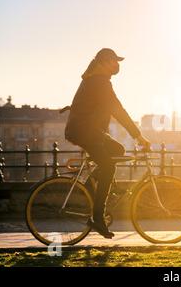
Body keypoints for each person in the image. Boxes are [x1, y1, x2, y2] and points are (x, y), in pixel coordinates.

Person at [64, 48, 151, 239]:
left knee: (118, 149)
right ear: (103, 62)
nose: (117, 64)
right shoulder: (98, 82)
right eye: (114, 61)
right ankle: (97, 217)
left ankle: (90, 183)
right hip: (84, 131)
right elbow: (118, 110)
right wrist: (138, 136)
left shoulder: (96, 80)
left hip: (91, 130)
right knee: (108, 166)